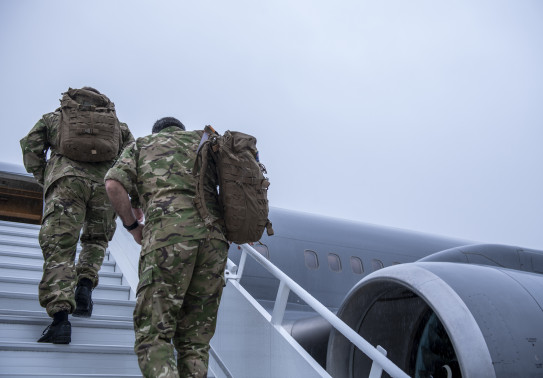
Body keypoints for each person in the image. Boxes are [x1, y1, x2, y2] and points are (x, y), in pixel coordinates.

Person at [104, 117, 229, 378]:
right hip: (214, 245)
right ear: (180, 130)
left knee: (153, 335)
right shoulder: (205, 143)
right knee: (195, 342)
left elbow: (113, 184)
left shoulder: (143, 145)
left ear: (157, 132)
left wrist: (132, 227)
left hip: (167, 240)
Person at [20, 87, 135, 344]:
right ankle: (84, 286)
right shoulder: (117, 125)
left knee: (60, 247)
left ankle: (60, 319)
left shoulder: (56, 117)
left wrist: (47, 178)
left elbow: (31, 148)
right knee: (96, 240)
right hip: (104, 186)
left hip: (67, 183)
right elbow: (131, 158)